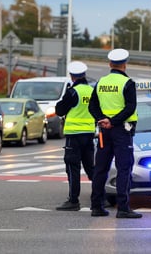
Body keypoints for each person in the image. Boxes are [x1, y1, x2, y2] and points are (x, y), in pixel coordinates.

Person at [88, 48, 142, 218]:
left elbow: (92, 106)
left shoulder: (101, 82)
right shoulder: (128, 83)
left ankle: (96, 206)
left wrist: (102, 119)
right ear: (125, 64)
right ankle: (123, 208)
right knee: (124, 168)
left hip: (104, 131)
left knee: (101, 169)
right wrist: (113, 121)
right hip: (121, 131)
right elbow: (130, 108)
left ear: (110, 64)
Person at [55, 61, 95, 211]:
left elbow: (60, 110)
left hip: (74, 135)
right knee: (91, 168)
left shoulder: (73, 92)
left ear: (72, 77)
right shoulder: (91, 91)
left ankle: (73, 201)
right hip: (89, 134)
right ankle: (100, 196)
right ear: (84, 75)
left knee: (73, 167)